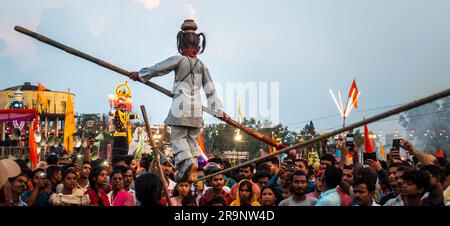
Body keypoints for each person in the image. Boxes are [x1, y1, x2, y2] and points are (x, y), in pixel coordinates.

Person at [129, 19, 223, 183]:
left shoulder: (179, 60)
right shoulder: (202, 65)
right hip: (196, 109)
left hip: (181, 105)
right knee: (192, 139)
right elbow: (210, 90)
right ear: (198, 47)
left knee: (178, 139)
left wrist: (140, 74)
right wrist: (218, 111)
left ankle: (189, 163)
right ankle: (188, 172)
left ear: (180, 45)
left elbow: (158, 68)